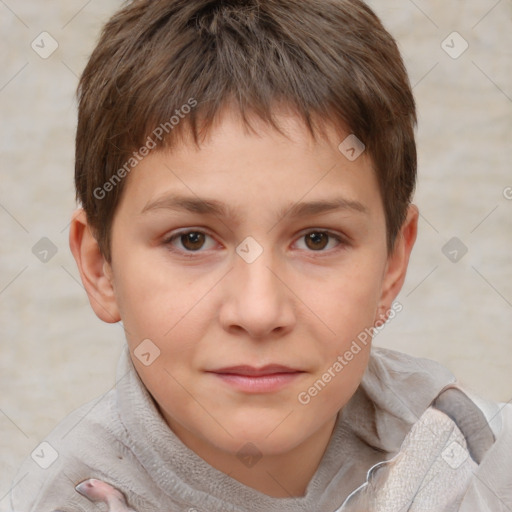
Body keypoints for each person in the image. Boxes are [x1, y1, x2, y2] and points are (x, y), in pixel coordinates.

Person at [9, 0, 512, 510]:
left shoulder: (477, 454)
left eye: (317, 239)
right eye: (192, 240)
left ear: (391, 265)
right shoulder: (59, 499)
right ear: (101, 269)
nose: (258, 311)